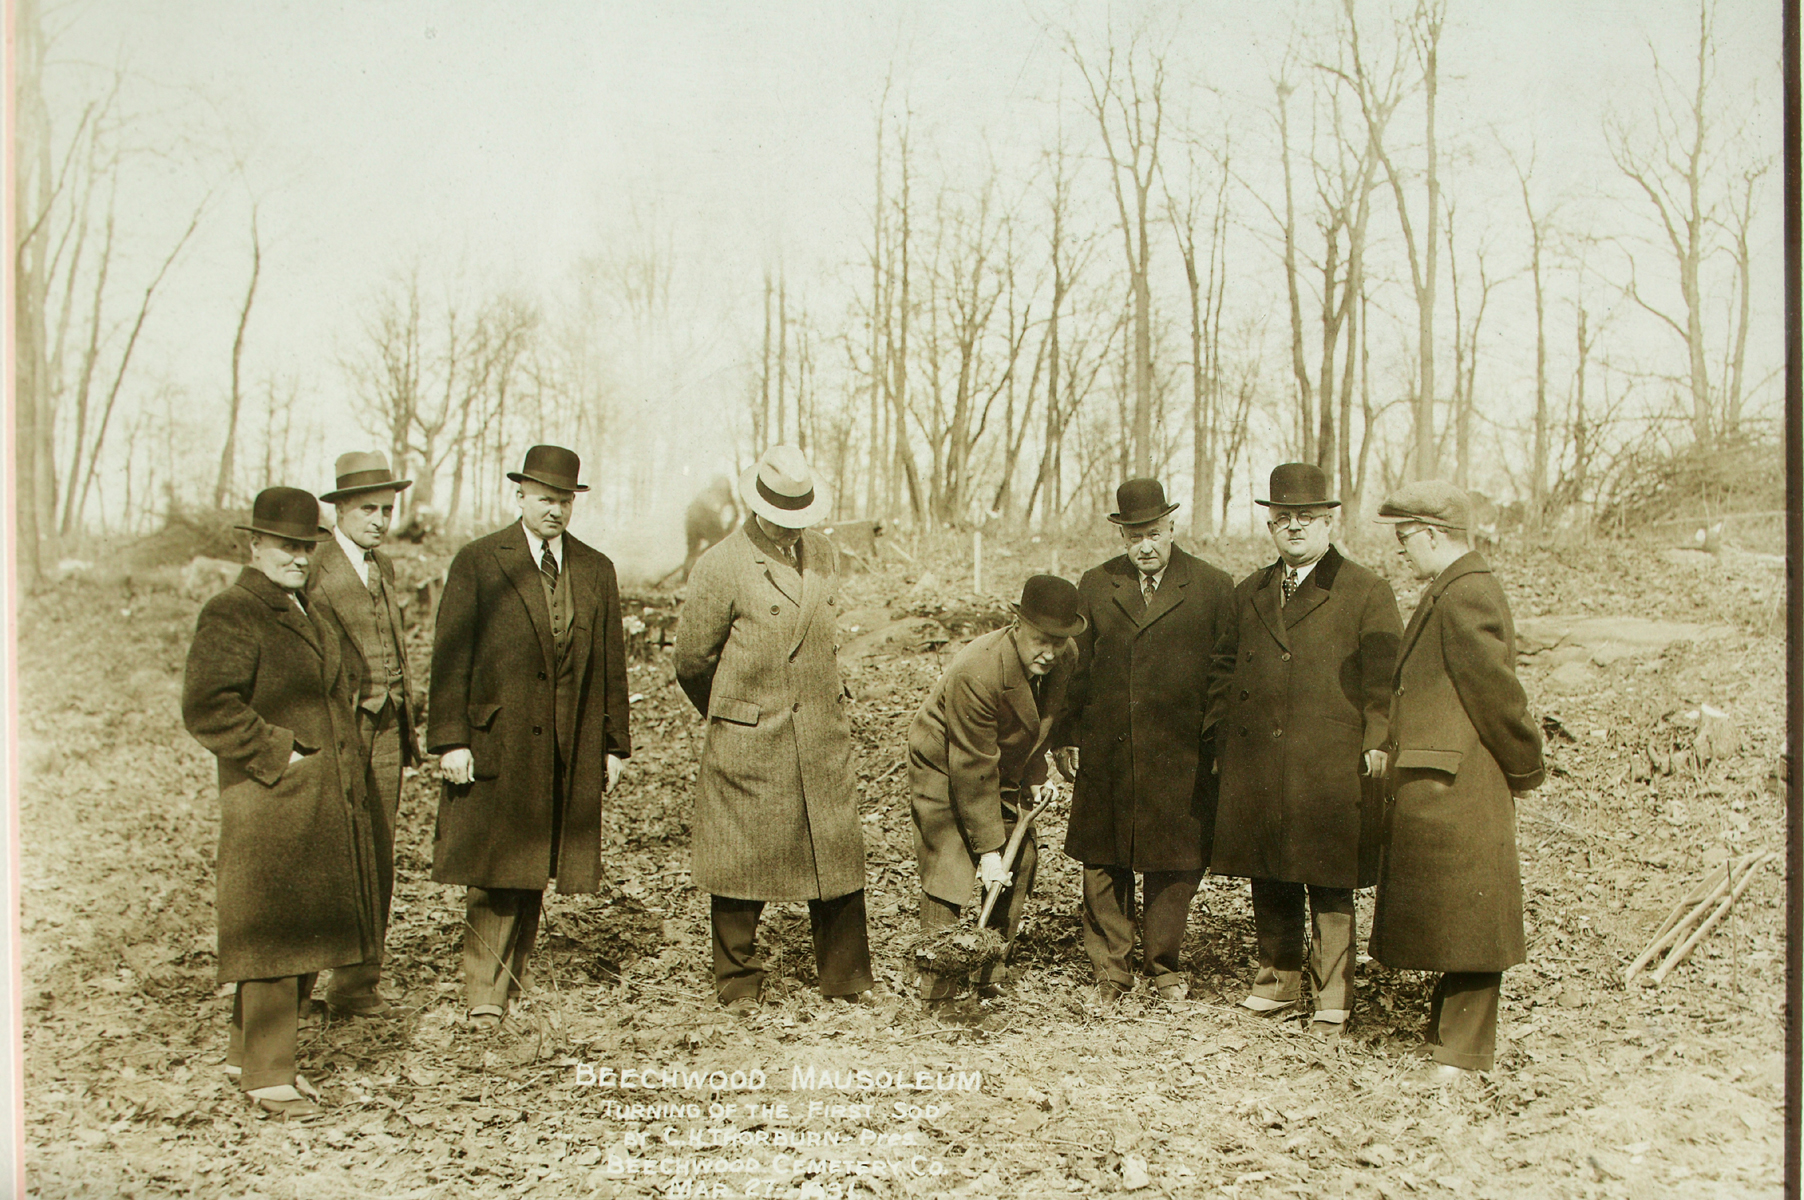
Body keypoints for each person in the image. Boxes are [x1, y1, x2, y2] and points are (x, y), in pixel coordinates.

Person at [182, 487, 379, 1118]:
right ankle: (269, 1077)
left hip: (314, 797)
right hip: (268, 799)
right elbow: (208, 706)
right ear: (255, 545)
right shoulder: (233, 610)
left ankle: (248, 1055)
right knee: (272, 934)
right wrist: (281, 753)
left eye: (306, 546)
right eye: (286, 545)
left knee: (297, 931)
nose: (297, 557)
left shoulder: (304, 607)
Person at [428, 445, 631, 1030]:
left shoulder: (596, 570)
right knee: (495, 869)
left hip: (565, 744)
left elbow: (611, 666)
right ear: (520, 496)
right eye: (545, 499)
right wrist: (450, 740)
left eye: (565, 500)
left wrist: (613, 745)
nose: (555, 510)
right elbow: (450, 658)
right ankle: (484, 996)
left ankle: (510, 982)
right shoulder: (478, 561)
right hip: (497, 741)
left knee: (535, 864)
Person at [674, 445, 872, 1012]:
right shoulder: (720, 565)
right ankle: (738, 983)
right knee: (740, 861)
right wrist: (735, 710)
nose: (792, 528)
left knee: (834, 853)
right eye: (781, 516)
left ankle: (847, 978)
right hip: (751, 737)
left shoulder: (825, 555)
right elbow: (692, 662)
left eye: (800, 517)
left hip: (819, 732)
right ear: (757, 507)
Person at [1209, 463, 1401, 1036]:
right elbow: (1221, 671)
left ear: (1328, 522)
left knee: (1329, 875)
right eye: (1283, 518)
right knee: (1268, 869)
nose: (1294, 528)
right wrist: (1222, 735)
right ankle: (1278, 979)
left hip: (1329, 761)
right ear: (1270, 525)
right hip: (1259, 760)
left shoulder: (1366, 590)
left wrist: (1377, 741)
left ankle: (1332, 995)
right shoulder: (1250, 592)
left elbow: (1384, 679)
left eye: (1307, 518)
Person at [1370, 480, 1545, 1081]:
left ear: (1434, 534)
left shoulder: (1466, 593)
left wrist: (1523, 766)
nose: (1401, 551)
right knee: (1461, 914)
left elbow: (1497, 693)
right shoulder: (1451, 589)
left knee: (1474, 920)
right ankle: (1450, 1039)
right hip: (1447, 774)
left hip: (1464, 778)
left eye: (1405, 538)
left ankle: (1462, 1054)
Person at [1056, 478, 1235, 1006]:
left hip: (1182, 751)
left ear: (1172, 528)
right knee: (1103, 857)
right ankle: (1110, 970)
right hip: (1108, 746)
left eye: (1154, 533)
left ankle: (1164, 967)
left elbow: (1225, 674)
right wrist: (1068, 736)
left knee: (1174, 861)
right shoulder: (1095, 584)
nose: (1145, 547)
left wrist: (1217, 741)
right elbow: (1075, 669)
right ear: (1122, 537)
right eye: (1134, 537)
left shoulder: (1213, 586)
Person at [907, 575, 1084, 1008]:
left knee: (1019, 859)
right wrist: (986, 851)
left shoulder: (1065, 657)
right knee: (951, 863)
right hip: (946, 761)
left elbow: (1040, 723)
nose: (1051, 651)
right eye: (1042, 639)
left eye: (1059, 641)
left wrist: (1037, 773)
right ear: (1016, 624)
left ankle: (989, 968)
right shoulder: (978, 670)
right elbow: (970, 766)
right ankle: (938, 981)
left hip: (1000, 761)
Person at [305, 451, 419, 1019]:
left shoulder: (384, 567)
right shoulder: (312, 566)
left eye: (387, 509)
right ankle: (295, 988)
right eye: (367, 509)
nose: (378, 519)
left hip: (387, 727)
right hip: (335, 731)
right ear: (339, 510)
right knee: (325, 852)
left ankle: (356, 984)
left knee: (377, 851)